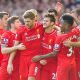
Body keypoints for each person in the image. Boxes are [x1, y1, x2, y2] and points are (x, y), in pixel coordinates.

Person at [32, 14, 79, 80]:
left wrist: (40, 57)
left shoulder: (59, 37)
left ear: (66, 25)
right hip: (72, 63)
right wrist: (74, 17)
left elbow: (54, 53)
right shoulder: (75, 32)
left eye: (61, 23)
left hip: (63, 65)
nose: (59, 25)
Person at [7, 11, 44, 80]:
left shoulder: (41, 26)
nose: (26, 23)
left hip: (35, 59)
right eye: (25, 21)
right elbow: (15, 47)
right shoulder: (21, 30)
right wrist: (10, 63)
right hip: (23, 60)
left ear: (34, 20)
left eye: (28, 21)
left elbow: (53, 26)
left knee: (31, 78)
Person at [0, 16, 25, 80]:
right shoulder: (7, 35)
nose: (20, 23)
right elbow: (3, 50)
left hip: (18, 65)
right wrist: (17, 47)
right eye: (17, 22)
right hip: (6, 63)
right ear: (12, 24)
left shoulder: (22, 35)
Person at [39, 13, 57, 80]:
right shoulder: (40, 33)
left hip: (53, 66)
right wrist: (40, 59)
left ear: (52, 23)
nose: (44, 22)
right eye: (43, 20)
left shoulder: (56, 35)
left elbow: (56, 53)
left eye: (46, 21)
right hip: (42, 66)